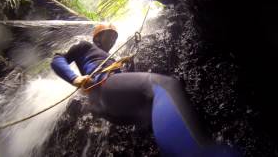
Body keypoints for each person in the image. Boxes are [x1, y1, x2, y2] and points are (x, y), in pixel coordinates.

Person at [51, 24, 238, 156]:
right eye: (108, 35)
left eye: (114, 36)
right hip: (102, 88)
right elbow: (57, 59)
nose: (113, 39)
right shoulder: (85, 46)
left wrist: (128, 66)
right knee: (164, 85)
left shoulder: (110, 57)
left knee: (154, 110)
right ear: (97, 37)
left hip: (113, 105)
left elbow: (127, 85)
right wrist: (75, 78)